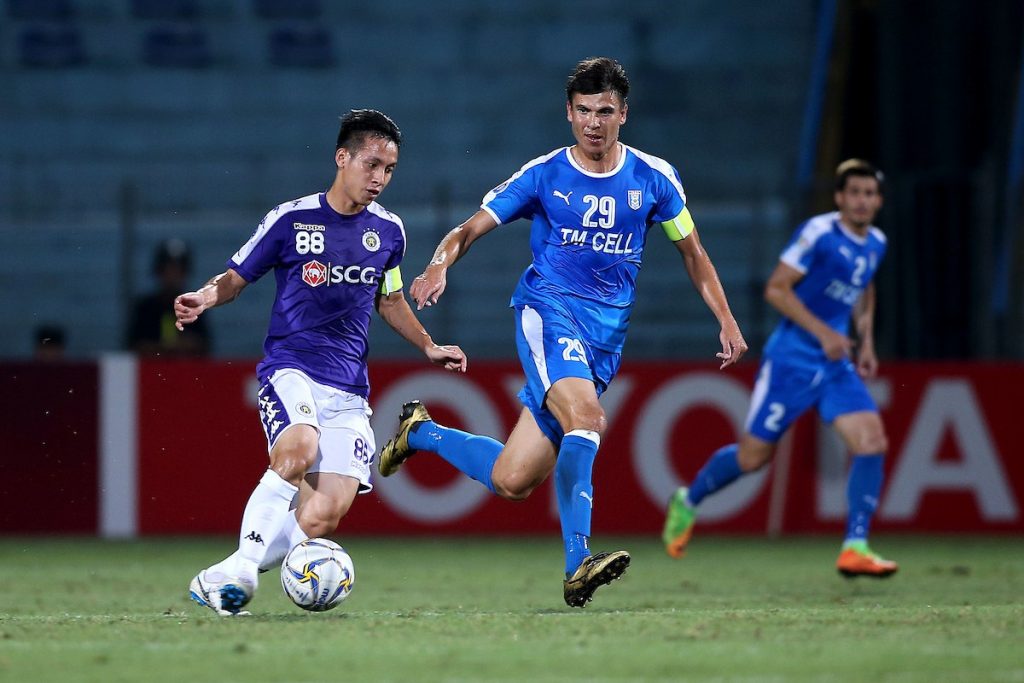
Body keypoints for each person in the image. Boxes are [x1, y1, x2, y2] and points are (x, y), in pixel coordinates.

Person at [376, 57, 748, 608]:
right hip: (547, 312)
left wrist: (726, 317)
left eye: (604, 111)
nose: (593, 123)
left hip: (604, 339)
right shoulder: (544, 174)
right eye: (582, 111)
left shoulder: (654, 178)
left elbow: (692, 253)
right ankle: (578, 564)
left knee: (513, 480)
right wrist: (438, 265)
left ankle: (421, 433)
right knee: (589, 418)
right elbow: (467, 229)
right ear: (568, 114)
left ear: (624, 113)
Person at [174, 109, 467, 616]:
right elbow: (237, 276)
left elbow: (390, 299)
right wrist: (203, 296)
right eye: (372, 164)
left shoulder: (390, 232)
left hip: (349, 388)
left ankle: (218, 577)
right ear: (342, 158)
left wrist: (427, 345)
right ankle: (243, 572)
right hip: (291, 368)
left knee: (322, 516)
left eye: (390, 169)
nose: (380, 178)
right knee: (298, 449)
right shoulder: (291, 219)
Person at [663, 159, 897, 578]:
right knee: (754, 458)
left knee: (872, 442)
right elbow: (776, 288)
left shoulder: (876, 242)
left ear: (878, 201)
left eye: (870, 194)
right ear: (840, 198)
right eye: (854, 193)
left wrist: (866, 341)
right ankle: (689, 499)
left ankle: (855, 545)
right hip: (792, 359)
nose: (862, 201)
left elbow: (865, 288)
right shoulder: (819, 233)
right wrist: (825, 333)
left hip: (835, 364)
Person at [127, 238, 211, 357]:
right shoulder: (145, 307)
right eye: (168, 270)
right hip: (149, 373)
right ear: (159, 272)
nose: (172, 276)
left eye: (178, 271)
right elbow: (134, 347)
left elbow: (204, 346)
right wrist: (164, 348)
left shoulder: (195, 306)